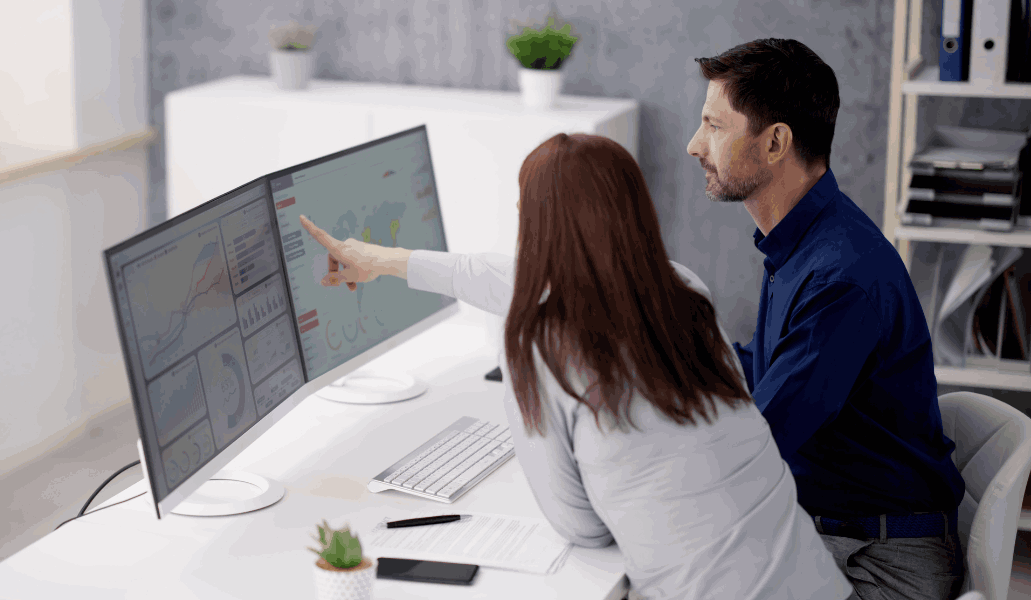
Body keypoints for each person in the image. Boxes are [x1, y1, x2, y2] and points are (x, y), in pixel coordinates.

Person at [298, 133, 851, 600]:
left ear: (535, 226)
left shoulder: (538, 348)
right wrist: (386, 261)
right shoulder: (686, 292)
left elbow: (581, 528)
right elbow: (514, 275)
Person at [685, 39, 967, 599]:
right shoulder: (804, 242)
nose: (694, 145)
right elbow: (771, 372)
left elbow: (757, 444)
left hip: (881, 567)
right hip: (834, 536)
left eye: (714, 126)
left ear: (775, 143)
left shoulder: (839, 276)